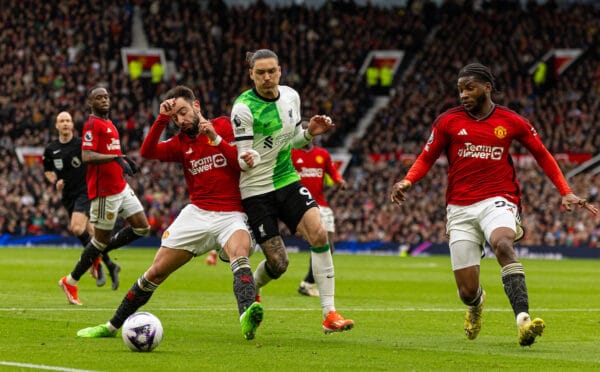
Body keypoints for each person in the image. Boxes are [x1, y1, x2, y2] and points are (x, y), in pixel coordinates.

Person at [389, 63, 599, 347]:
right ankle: (476, 304)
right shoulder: (447, 121)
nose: (463, 94)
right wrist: (407, 181)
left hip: (498, 199)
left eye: (470, 88)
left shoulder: (511, 121)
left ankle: (523, 320)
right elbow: (426, 157)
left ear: (487, 87)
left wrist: (566, 190)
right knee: (466, 291)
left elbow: (543, 155)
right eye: (460, 89)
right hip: (459, 208)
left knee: (502, 243)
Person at [76, 85, 262, 340]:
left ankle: (246, 318)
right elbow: (147, 152)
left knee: (239, 254)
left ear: (197, 106)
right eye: (175, 117)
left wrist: (216, 139)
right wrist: (161, 118)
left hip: (231, 213)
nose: (181, 121)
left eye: (183, 112)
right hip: (196, 213)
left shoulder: (226, 126)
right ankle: (110, 326)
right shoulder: (180, 142)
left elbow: (242, 165)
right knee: (155, 272)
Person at [231, 48, 354, 333]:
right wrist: (247, 158)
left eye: (271, 71)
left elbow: (296, 140)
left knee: (320, 233)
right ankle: (257, 287)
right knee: (279, 262)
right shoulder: (244, 108)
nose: (266, 77)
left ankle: (329, 313)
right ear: (251, 74)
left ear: (280, 70)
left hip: (287, 179)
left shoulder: (291, 96)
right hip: (256, 190)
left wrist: (310, 132)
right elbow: (242, 156)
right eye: (260, 72)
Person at [58, 86, 151, 305]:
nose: (104, 100)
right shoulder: (92, 125)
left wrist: (123, 158)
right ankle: (70, 280)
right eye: (99, 97)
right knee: (99, 241)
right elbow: (87, 155)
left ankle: (97, 254)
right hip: (103, 193)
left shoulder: (110, 124)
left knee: (142, 228)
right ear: (91, 102)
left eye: (107, 96)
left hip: (120, 186)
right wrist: (115, 158)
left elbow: (111, 154)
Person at [43, 111, 120, 289]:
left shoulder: (80, 144)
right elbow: (48, 170)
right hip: (68, 195)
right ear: (56, 125)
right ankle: (111, 265)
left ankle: (97, 265)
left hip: (86, 190)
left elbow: (95, 158)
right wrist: (55, 180)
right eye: (61, 121)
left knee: (77, 228)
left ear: (72, 124)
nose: (65, 124)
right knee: (93, 234)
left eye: (68, 120)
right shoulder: (51, 149)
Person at [291, 137, 347, 297]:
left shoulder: (322, 154)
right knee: (319, 244)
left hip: (322, 204)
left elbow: (332, 171)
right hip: (303, 204)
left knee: (329, 247)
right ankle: (308, 284)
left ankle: (307, 283)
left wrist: (339, 181)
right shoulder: (292, 154)